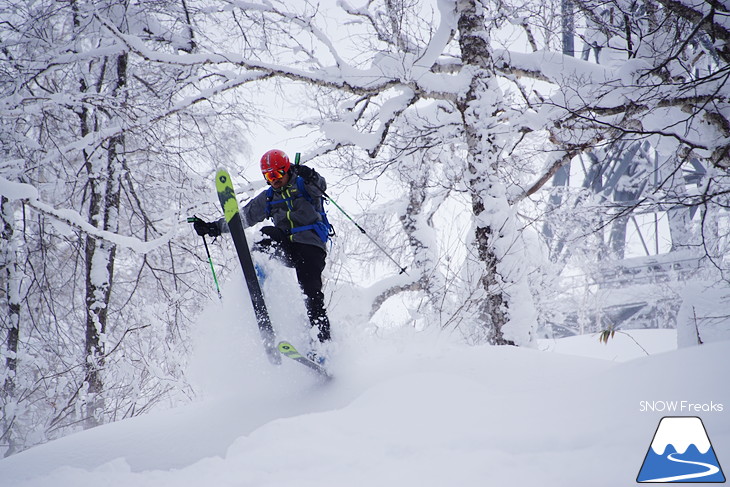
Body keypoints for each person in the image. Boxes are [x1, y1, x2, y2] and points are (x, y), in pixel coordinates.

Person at [194, 149, 332, 363]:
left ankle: (323, 350)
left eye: (276, 175)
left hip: (311, 246)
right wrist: (213, 227)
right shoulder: (269, 197)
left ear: (287, 170)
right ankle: (258, 277)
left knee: (311, 296)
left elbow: (321, 186)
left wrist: (310, 174)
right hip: (288, 247)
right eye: (268, 177)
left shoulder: (305, 185)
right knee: (266, 233)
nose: (273, 181)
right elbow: (243, 218)